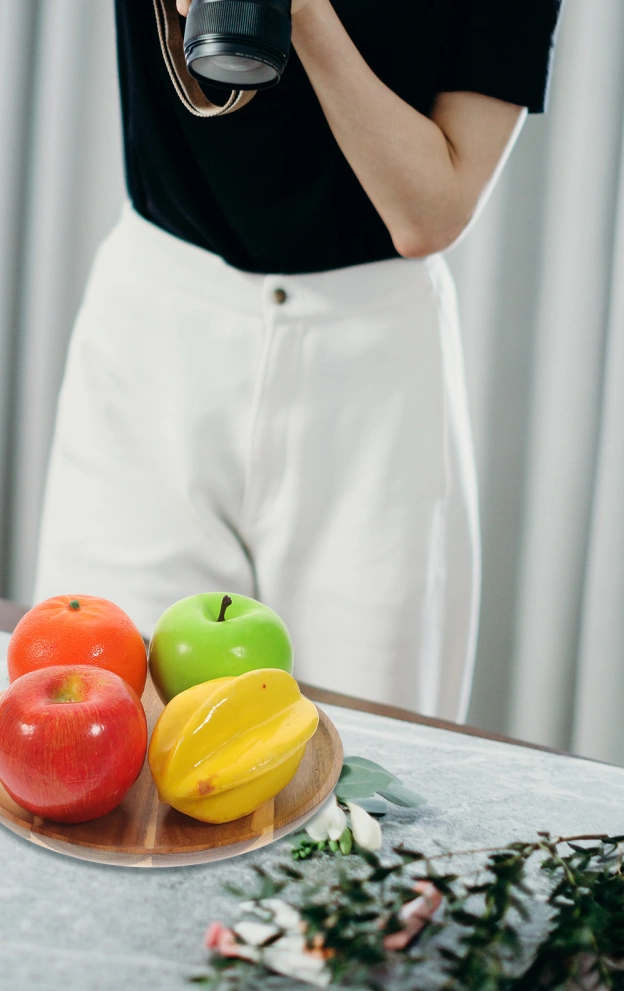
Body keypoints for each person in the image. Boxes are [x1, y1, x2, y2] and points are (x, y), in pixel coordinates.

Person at [33, 0, 562, 722]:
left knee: (367, 762)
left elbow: (429, 213)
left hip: (371, 373)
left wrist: (305, 13)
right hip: (155, 340)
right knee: (103, 727)